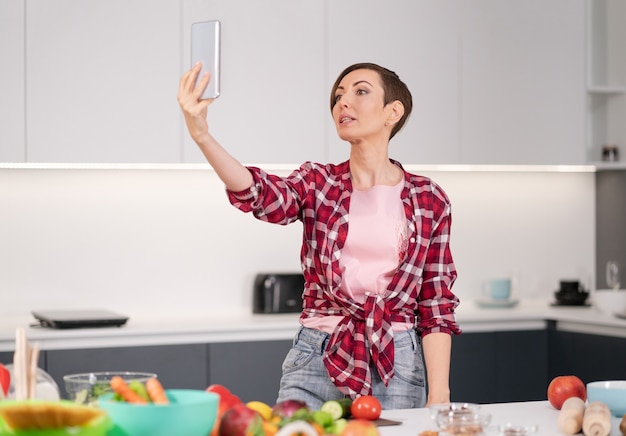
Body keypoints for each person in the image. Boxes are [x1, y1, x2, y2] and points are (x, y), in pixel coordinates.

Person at [178, 62, 461, 410]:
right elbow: (263, 196)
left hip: (396, 360)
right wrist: (202, 136)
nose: (343, 102)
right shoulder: (318, 182)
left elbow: (435, 305)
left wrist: (440, 398)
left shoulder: (429, 198)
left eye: (360, 91)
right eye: (338, 96)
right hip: (318, 352)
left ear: (393, 111)